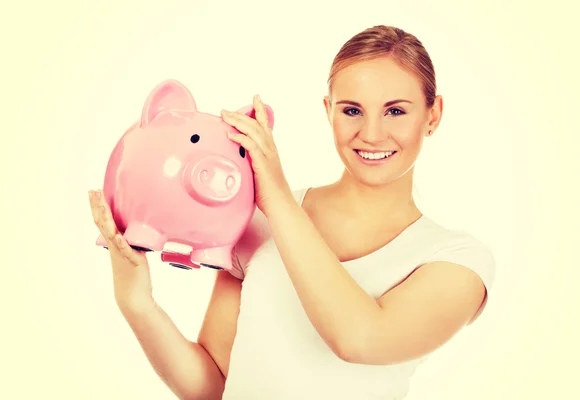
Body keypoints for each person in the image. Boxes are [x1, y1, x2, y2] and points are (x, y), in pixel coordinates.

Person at [88, 25, 496, 400]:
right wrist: (135, 301)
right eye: (352, 110)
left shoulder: (457, 260)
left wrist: (276, 196)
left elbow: (360, 339)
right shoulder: (256, 223)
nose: (371, 134)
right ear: (328, 111)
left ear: (433, 114)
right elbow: (211, 387)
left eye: (395, 111)